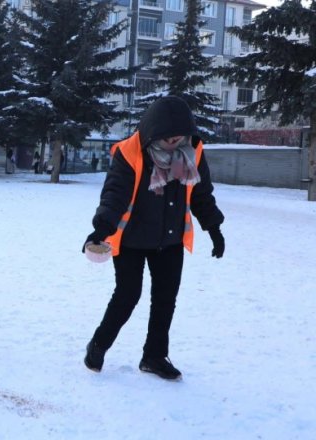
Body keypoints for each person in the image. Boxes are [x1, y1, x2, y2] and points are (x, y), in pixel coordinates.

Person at [82, 96, 225, 381]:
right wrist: (101, 228)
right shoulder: (130, 152)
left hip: (170, 240)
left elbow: (201, 194)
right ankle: (98, 344)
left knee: (165, 299)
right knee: (127, 295)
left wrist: (214, 228)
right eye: (168, 139)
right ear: (153, 132)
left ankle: (154, 356)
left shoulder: (192, 151)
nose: (174, 143)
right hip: (131, 240)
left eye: (179, 138)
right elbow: (114, 195)